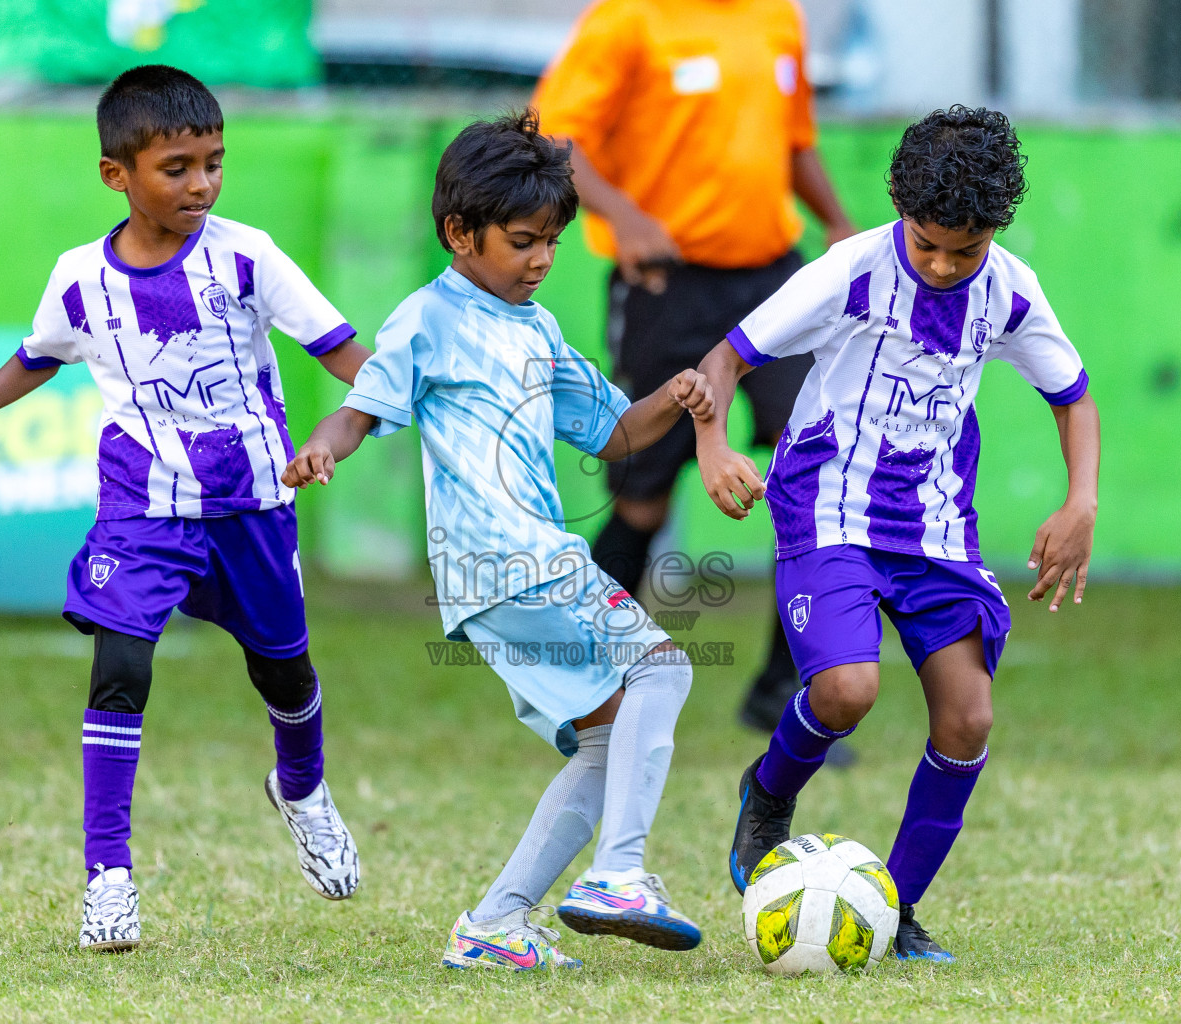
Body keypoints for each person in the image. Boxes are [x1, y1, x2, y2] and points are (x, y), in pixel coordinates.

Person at [0, 65, 370, 952]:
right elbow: (40, 353)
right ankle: (108, 878)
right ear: (116, 174)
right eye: (178, 168)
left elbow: (350, 357)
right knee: (121, 665)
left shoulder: (247, 257)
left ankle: (301, 789)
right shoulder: (79, 277)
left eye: (214, 163)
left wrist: (342, 433)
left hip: (251, 500)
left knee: (284, 673)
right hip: (142, 506)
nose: (202, 184)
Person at [283, 110, 710, 970]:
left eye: (552, 241)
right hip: (511, 557)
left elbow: (615, 434)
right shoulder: (426, 319)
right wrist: (323, 448)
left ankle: (495, 924)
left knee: (606, 737)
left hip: (507, 572)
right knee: (663, 670)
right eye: (523, 241)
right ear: (459, 233)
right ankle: (619, 874)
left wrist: (676, 395)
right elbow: (359, 410)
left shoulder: (538, 327)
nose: (542, 259)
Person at [693, 106, 1101, 962]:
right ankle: (768, 792)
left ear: (995, 230)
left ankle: (895, 909)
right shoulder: (850, 271)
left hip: (935, 529)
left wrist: (1081, 503)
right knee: (847, 691)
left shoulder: (1011, 289)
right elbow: (728, 358)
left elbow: (1072, 398)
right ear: (899, 210)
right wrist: (716, 444)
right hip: (827, 507)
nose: (945, 265)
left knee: (969, 719)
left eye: (966, 249)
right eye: (928, 245)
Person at [531, 0, 862, 745]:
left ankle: (787, 694)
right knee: (642, 497)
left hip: (773, 283)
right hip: (667, 283)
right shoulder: (628, 20)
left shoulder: (777, 17)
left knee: (817, 479)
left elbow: (793, 141)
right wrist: (626, 217)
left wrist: (838, 223)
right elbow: (553, 137)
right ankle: (584, 684)